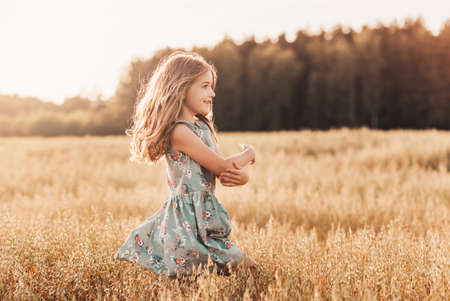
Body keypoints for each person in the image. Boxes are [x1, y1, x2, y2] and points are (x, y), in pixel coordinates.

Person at [115, 50, 259, 278]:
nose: (212, 93)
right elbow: (222, 168)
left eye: (212, 87)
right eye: (204, 86)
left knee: (222, 271)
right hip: (187, 221)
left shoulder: (202, 128)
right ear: (182, 88)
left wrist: (243, 174)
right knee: (223, 271)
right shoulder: (179, 132)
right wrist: (249, 155)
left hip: (204, 215)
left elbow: (219, 167)